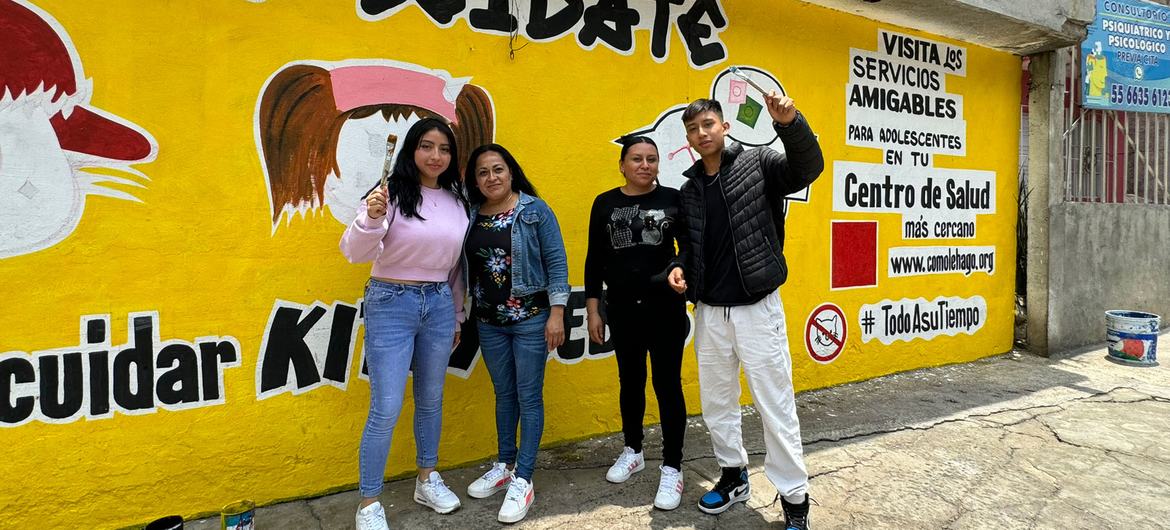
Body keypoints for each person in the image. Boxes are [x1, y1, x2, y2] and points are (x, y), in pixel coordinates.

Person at [666, 95, 824, 530]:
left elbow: (806, 169)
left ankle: (794, 499)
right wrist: (679, 268)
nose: (702, 133)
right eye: (694, 128)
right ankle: (733, 476)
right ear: (689, 138)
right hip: (710, 313)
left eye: (709, 123)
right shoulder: (690, 188)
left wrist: (791, 123)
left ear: (725, 126)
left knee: (775, 406)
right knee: (717, 404)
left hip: (757, 309)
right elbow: (688, 245)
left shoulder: (760, 164)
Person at [339, 118, 470, 530]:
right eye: (427, 146)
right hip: (390, 301)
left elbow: (455, 267)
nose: (436, 156)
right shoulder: (388, 194)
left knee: (431, 399)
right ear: (412, 150)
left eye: (445, 149)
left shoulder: (456, 200)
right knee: (386, 406)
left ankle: (427, 478)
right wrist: (371, 219)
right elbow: (354, 253)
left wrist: (456, 314)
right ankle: (369, 502)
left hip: (438, 303)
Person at [461, 144, 570, 524]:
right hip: (489, 322)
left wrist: (557, 315)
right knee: (504, 394)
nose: (491, 177)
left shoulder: (534, 211)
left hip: (530, 319)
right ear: (475, 180)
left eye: (498, 169)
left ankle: (524, 477)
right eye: (483, 172)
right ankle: (505, 463)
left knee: (528, 396)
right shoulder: (472, 214)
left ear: (511, 172)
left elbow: (557, 261)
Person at [583, 136, 689, 510]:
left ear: (658, 165)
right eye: (637, 159)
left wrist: (678, 268)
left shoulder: (674, 199)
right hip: (623, 310)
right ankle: (633, 450)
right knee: (630, 383)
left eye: (652, 159)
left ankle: (673, 467)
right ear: (622, 165)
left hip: (665, 310)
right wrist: (594, 309)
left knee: (667, 386)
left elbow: (689, 248)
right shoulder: (605, 203)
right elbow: (594, 260)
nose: (644, 165)